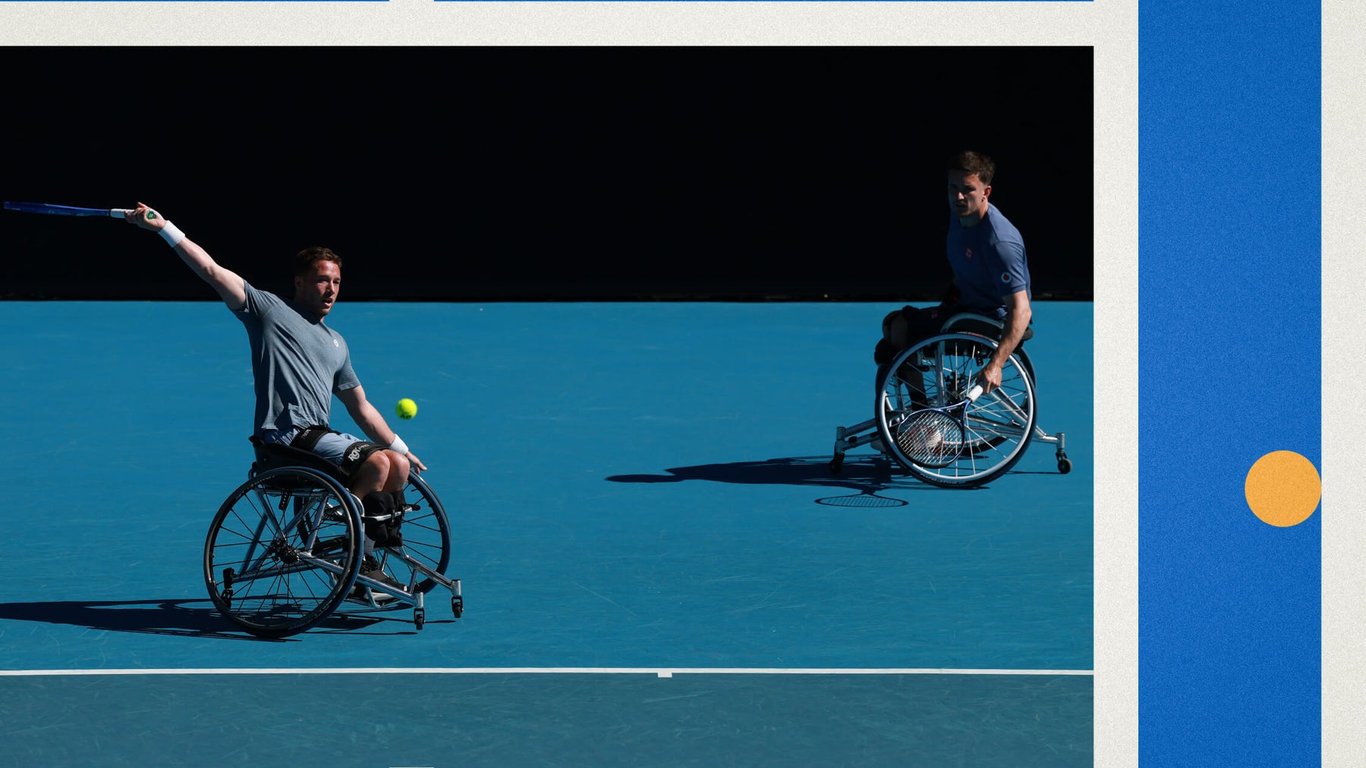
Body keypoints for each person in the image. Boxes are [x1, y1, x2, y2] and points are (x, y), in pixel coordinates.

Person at [124, 202, 419, 596]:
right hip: (284, 439)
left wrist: (401, 445)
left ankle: (363, 554)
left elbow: (360, 406)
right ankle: (349, 537)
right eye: (320, 280)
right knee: (378, 464)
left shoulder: (337, 343)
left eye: (335, 282)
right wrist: (165, 228)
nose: (330, 289)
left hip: (320, 438)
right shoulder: (269, 311)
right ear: (298, 282)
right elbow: (212, 271)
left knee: (396, 465)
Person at [874, 150, 1033, 394]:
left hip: (988, 321)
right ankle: (918, 415)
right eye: (952, 187)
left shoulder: (1000, 242)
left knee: (900, 329)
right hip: (964, 308)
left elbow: (1021, 309)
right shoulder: (960, 215)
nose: (958, 196)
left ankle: (923, 423)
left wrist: (996, 365)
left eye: (968, 189)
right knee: (892, 330)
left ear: (985, 192)